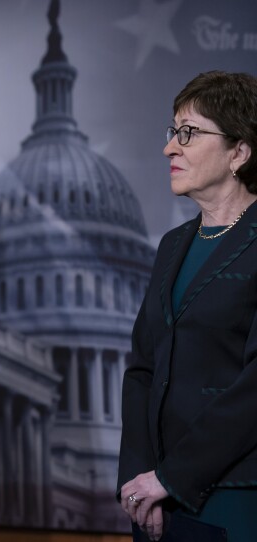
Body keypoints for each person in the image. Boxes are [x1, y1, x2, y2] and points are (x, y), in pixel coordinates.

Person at [118, 71, 257, 542]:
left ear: (239, 151)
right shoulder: (172, 245)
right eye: (173, 132)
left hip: (234, 498)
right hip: (156, 502)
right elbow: (142, 368)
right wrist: (140, 480)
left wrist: (171, 477)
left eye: (189, 133)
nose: (169, 149)